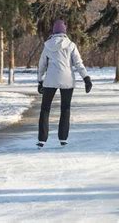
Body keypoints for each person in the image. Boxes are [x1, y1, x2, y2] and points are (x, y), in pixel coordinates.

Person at [37, 20, 92, 148]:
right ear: (64, 31)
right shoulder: (71, 45)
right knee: (65, 109)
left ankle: (42, 139)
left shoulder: (47, 45)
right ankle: (63, 138)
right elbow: (78, 63)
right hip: (67, 79)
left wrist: (40, 81)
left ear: (54, 31)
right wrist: (86, 78)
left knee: (45, 109)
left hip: (50, 80)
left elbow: (42, 65)